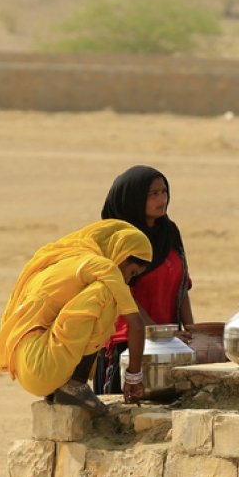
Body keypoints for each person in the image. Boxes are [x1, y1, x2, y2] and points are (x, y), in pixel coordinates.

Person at [0, 220, 153, 413]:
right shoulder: (103, 267)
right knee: (107, 295)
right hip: (42, 365)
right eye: (131, 272)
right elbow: (136, 324)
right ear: (122, 254)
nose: (128, 280)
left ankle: (62, 388)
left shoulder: (71, 261)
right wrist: (133, 377)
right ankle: (75, 385)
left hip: (30, 365)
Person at [96, 165, 194, 394]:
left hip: (169, 346)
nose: (162, 199)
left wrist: (193, 332)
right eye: (154, 194)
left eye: (164, 192)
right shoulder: (118, 238)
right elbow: (123, 293)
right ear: (134, 198)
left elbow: (181, 286)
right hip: (127, 346)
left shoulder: (169, 232)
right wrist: (158, 333)